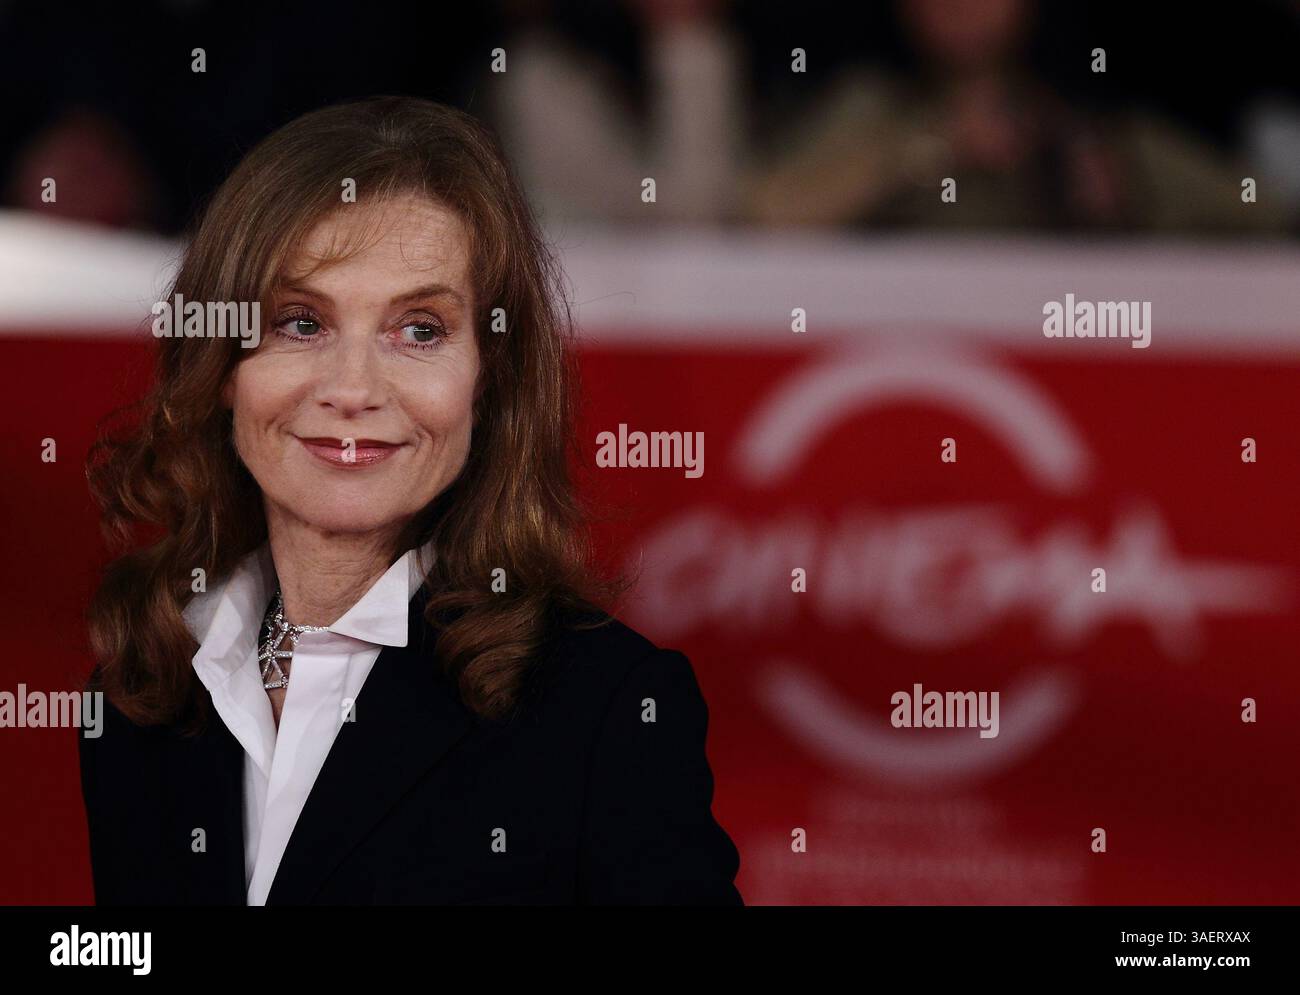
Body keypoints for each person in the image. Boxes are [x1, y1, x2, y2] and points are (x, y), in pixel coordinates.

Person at [78, 95, 743, 906]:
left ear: (487, 379)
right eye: (299, 322)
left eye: (420, 330)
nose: (353, 389)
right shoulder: (141, 689)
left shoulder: (608, 710)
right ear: (222, 366)